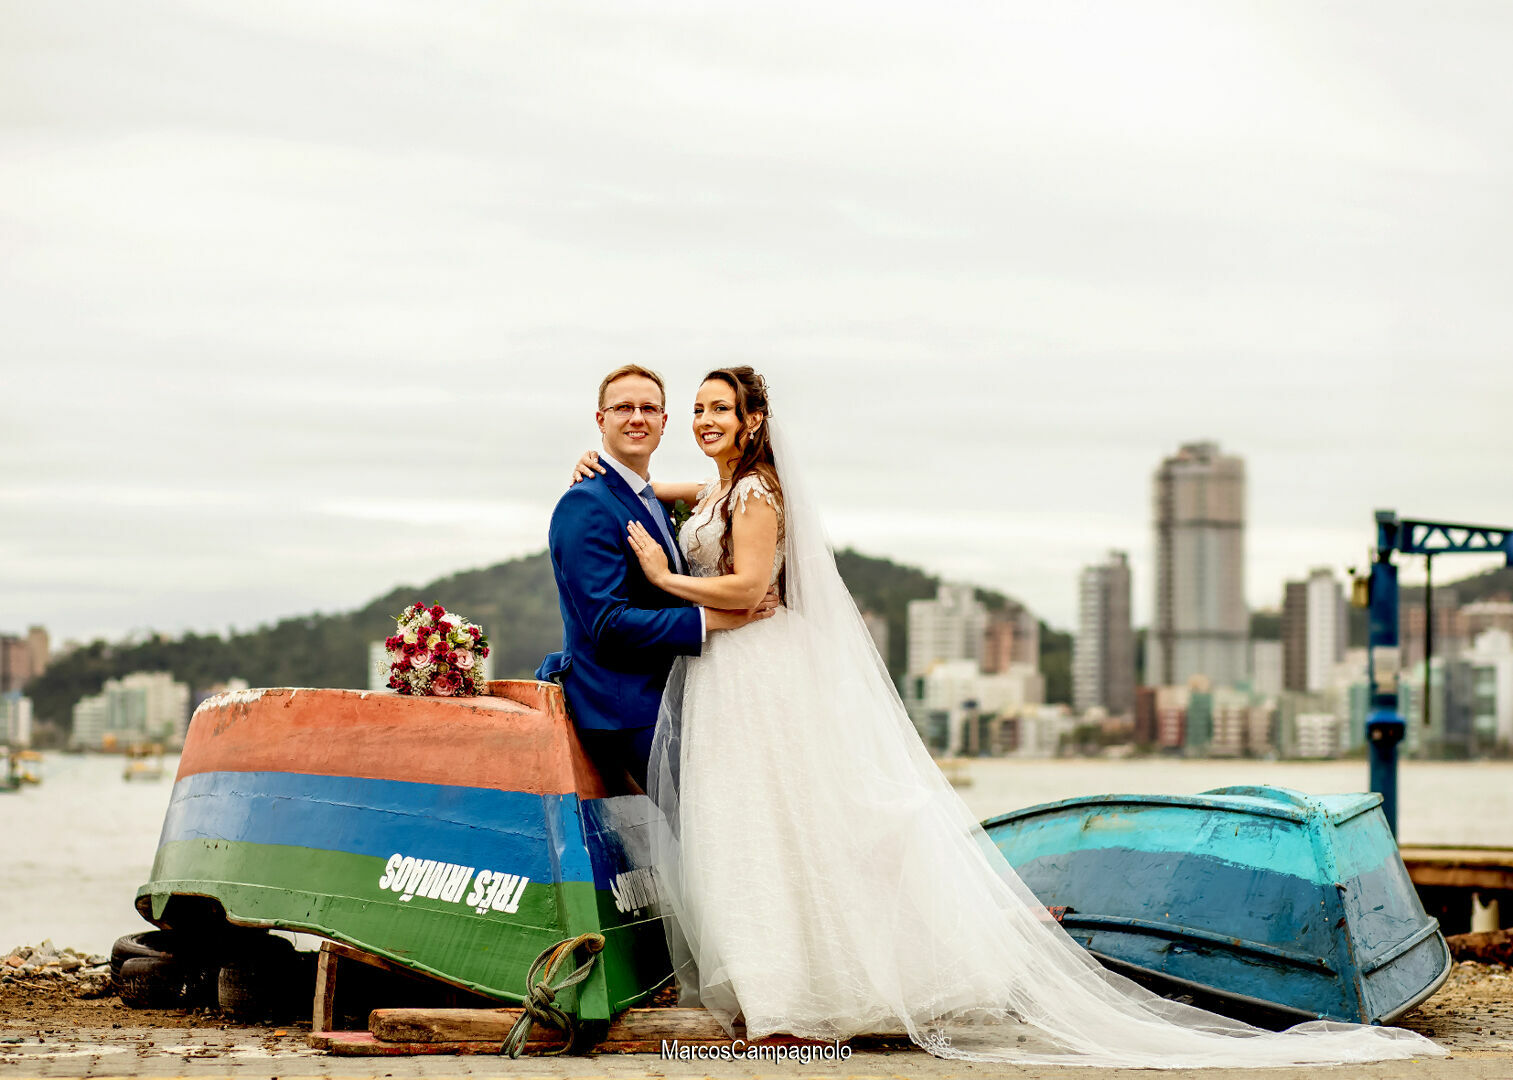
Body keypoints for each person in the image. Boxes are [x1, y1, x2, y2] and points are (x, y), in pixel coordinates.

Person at [570, 366, 1444, 1067]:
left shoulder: (757, 495)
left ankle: (794, 1003)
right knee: (752, 829)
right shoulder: (719, 490)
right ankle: (775, 990)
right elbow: (672, 493)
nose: (703, 420)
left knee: (783, 825)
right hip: (731, 677)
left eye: (718, 409)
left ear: (754, 421)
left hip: (761, 675)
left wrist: (664, 575)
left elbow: (751, 587)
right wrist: (606, 473)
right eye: (696, 409)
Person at [536, 364, 775, 793]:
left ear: (664, 422)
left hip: (685, 696)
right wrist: (715, 619)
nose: (637, 418)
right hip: (628, 712)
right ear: (600, 420)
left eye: (648, 409)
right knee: (708, 818)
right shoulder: (585, 504)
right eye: (623, 408)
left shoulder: (655, 499)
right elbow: (609, 624)